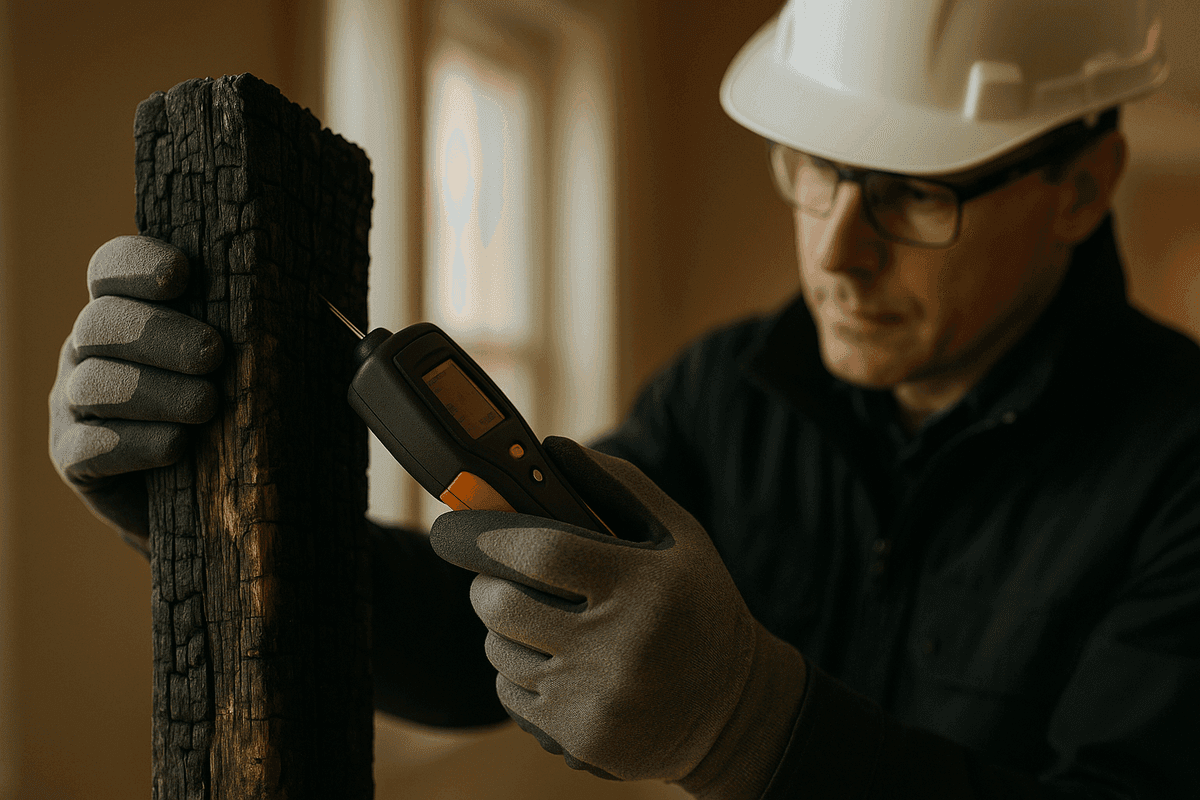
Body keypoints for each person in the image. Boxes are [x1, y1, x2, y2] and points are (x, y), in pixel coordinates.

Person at [49, 1, 1200, 797]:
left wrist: (753, 727)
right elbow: (479, 629)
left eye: (913, 195)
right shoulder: (729, 389)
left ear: (1081, 186)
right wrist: (192, 513)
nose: (837, 253)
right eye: (816, 168)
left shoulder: (1183, 460)